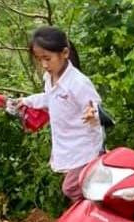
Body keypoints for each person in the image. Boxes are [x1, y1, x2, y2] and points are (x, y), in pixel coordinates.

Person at [15, 26, 104, 202]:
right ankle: (91, 219)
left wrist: (91, 112)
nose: (44, 65)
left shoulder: (78, 82)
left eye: (47, 59)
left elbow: (95, 106)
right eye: (40, 60)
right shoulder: (50, 78)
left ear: (64, 53)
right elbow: (49, 98)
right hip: (68, 146)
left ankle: (101, 214)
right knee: (81, 191)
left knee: (72, 188)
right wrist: (27, 101)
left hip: (86, 149)